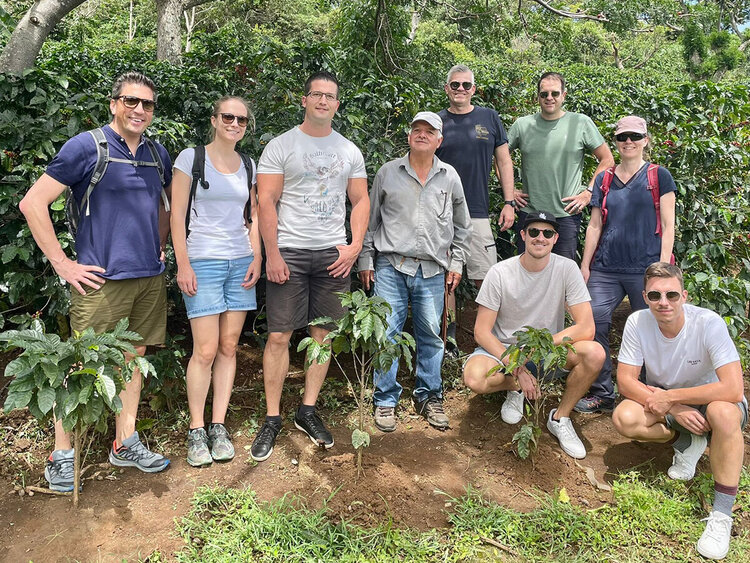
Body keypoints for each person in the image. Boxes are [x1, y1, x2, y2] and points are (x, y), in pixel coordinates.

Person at [19, 72, 171, 491]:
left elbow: (163, 205)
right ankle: (62, 454)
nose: (139, 109)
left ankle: (125, 443)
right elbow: (32, 203)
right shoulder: (87, 147)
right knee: (82, 365)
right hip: (100, 282)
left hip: (149, 279)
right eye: (130, 101)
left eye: (147, 104)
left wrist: (160, 245)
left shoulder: (158, 153)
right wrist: (63, 264)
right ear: (114, 104)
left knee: (134, 360)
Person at [251, 71, 369, 462]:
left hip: (333, 257)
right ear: (304, 100)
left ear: (337, 104)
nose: (323, 101)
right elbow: (265, 201)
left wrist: (353, 248)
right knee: (280, 337)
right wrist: (273, 254)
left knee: (323, 336)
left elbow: (361, 200)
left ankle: (307, 410)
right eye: (316, 94)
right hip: (291, 252)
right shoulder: (282, 145)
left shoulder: (349, 150)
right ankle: (271, 417)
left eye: (330, 96)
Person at [612, 262, 746, 561]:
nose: (664, 302)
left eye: (671, 295)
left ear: (684, 295)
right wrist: (675, 405)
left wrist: (672, 397)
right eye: (655, 296)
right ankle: (686, 443)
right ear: (644, 297)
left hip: (713, 400)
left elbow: (734, 388)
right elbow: (625, 381)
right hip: (667, 402)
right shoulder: (637, 322)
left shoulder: (708, 323)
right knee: (625, 417)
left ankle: (722, 514)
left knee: (723, 414)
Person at [358, 111, 472, 431]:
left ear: (439, 140)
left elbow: (462, 226)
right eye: (416, 130)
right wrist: (365, 260)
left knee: (430, 336)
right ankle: (385, 400)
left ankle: (429, 396)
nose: (421, 134)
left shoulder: (449, 177)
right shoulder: (387, 172)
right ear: (409, 137)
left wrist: (457, 262)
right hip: (390, 266)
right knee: (387, 334)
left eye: (429, 131)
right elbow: (371, 221)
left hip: (434, 270)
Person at [462, 211, 605, 459]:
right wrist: (517, 367)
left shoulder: (567, 269)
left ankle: (560, 417)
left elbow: (586, 327)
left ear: (555, 238)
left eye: (547, 233)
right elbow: (481, 331)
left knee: (595, 353)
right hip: (503, 350)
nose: (540, 238)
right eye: (534, 232)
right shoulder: (500, 272)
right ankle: (516, 386)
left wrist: (540, 347)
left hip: (545, 352)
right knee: (474, 378)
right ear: (523, 235)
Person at [170, 96, 262, 467]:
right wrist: (183, 264)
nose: (235, 123)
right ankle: (196, 429)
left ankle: (218, 425)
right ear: (214, 119)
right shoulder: (190, 159)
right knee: (204, 350)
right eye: (228, 116)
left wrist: (257, 257)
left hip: (240, 262)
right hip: (203, 261)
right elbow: (176, 216)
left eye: (241, 119)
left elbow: (252, 215)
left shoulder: (249, 165)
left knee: (228, 347)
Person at [576, 116, 676, 413]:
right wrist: (585, 264)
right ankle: (602, 392)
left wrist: (663, 269)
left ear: (646, 139)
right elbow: (595, 225)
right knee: (593, 321)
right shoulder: (605, 179)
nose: (628, 141)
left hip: (647, 268)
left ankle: (646, 393)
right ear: (616, 142)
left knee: (652, 329)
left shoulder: (659, 176)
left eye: (635, 136)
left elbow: (669, 226)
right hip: (606, 267)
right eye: (622, 137)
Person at [435, 65, 515, 353]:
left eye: (466, 85)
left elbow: (503, 161)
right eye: (454, 85)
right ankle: (450, 339)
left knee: (486, 278)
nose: (460, 89)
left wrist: (509, 202)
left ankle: (490, 338)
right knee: (446, 280)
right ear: (447, 88)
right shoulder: (437, 122)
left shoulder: (489, 117)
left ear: (474, 89)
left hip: (479, 212)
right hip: (441, 214)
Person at [507, 72, 614, 260]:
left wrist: (589, 192)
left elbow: (607, 160)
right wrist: (510, 191)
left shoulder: (580, 123)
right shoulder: (522, 125)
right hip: (529, 213)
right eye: (544, 94)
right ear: (537, 97)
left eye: (555, 93)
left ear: (563, 95)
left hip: (566, 214)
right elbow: (500, 158)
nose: (549, 98)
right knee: (526, 275)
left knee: (563, 276)